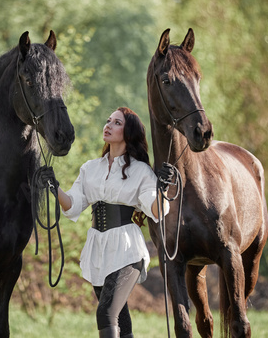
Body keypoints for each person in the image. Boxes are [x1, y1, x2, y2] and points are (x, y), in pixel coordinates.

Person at [42, 107, 174, 338]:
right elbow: (73, 205)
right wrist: (54, 186)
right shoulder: (90, 168)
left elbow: (157, 211)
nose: (108, 125)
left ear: (129, 132)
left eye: (116, 123)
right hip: (98, 249)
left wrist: (162, 189)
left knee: (106, 314)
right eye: (108, 120)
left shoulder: (140, 170)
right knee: (119, 319)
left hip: (126, 250)